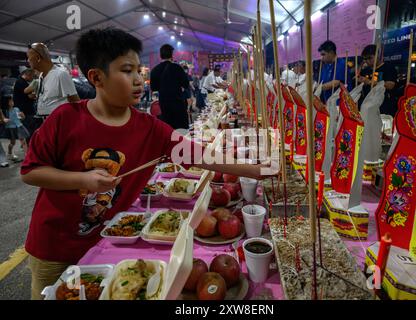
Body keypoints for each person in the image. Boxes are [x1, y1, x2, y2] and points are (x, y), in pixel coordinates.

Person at [20, 28, 271, 300]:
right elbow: (31, 171)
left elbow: (204, 157)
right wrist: (83, 180)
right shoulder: (65, 119)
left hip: (108, 246)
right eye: (127, 71)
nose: (140, 79)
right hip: (52, 248)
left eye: (139, 70)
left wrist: (264, 169)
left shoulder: (150, 128)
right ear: (96, 77)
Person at [26, 42, 80, 118]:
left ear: (38, 58)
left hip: (62, 124)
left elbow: (76, 103)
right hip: (48, 123)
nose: (28, 60)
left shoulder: (61, 74)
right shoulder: (41, 76)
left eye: (29, 57)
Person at [150, 44, 190, 129]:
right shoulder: (177, 68)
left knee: (168, 130)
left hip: (164, 105)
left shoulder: (154, 70)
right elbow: (186, 84)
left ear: (160, 55)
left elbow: (154, 88)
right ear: (172, 55)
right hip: (178, 103)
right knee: (181, 130)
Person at [358, 44, 398, 117]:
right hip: (367, 107)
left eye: (370, 58)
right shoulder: (365, 71)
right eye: (365, 59)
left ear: (377, 55)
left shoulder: (388, 68)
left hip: (383, 108)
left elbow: (390, 85)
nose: (367, 61)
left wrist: (370, 82)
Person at [13, 69, 37, 142]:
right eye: (32, 76)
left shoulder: (22, 82)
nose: (33, 78)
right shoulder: (21, 82)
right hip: (24, 110)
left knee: (27, 129)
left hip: (25, 109)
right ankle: (28, 144)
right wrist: (36, 93)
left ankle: (27, 144)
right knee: (28, 129)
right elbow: (29, 95)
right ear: (28, 74)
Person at [3, 96, 29, 161]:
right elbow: (3, 120)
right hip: (11, 128)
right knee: (13, 142)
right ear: (6, 103)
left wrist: (23, 116)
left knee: (23, 141)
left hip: (19, 126)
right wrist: (5, 120)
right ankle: (9, 153)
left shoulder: (17, 109)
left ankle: (27, 155)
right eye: (10, 101)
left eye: (12, 101)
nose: (12, 102)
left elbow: (21, 118)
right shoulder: (5, 111)